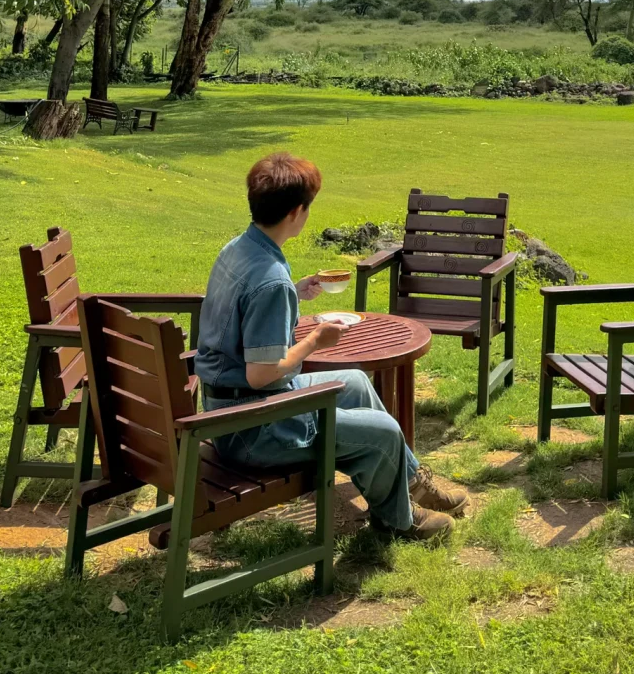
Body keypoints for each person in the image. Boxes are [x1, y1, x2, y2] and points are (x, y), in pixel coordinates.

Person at [194, 152, 469, 540]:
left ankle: (412, 484)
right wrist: (314, 340)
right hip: (254, 429)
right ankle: (397, 522)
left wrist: (293, 290)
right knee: (384, 430)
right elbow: (260, 374)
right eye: (308, 207)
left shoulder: (239, 250)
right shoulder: (269, 279)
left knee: (354, 380)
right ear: (295, 212)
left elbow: (244, 313)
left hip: (227, 407)